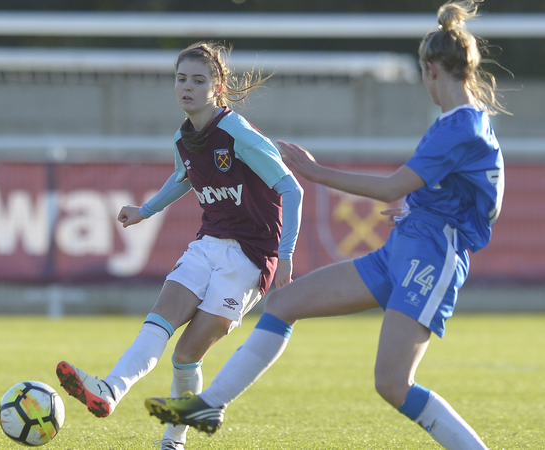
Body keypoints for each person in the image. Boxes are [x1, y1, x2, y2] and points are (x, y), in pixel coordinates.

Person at [144, 2, 506, 449]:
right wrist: (423, 209)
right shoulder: (463, 123)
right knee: (284, 303)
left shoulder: (460, 126)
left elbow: (395, 186)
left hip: (431, 258)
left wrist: (317, 173)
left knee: (392, 384)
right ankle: (210, 403)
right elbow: (470, 195)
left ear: (431, 70)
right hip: (404, 249)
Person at [55, 41, 303, 450]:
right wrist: (146, 209)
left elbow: (291, 189)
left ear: (218, 86)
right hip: (207, 245)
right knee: (161, 317)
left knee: (186, 355)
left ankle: (174, 439)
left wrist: (286, 254)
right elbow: (183, 176)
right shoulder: (184, 138)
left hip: (250, 259)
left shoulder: (236, 132)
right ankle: (110, 389)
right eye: (181, 78)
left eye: (198, 80)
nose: (186, 87)